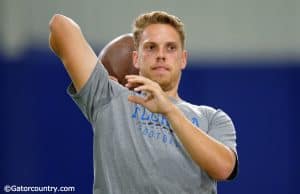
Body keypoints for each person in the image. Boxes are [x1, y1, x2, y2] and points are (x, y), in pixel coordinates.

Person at [49, 11, 238, 194]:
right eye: (151, 47)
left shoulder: (212, 117)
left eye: (171, 48)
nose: (161, 55)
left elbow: (223, 169)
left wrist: (170, 111)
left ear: (183, 59)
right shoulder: (109, 97)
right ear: (136, 58)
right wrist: (103, 75)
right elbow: (60, 26)